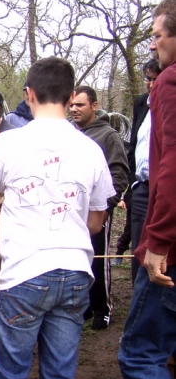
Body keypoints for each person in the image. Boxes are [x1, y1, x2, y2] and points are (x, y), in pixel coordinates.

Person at [0, 57, 114, 379]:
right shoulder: (90, 148)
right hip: (74, 276)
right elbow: (97, 217)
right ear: (72, 98)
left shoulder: (10, 143)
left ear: (28, 95)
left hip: (24, 278)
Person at [118, 0, 176, 379]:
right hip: (146, 204)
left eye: (158, 35)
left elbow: (172, 166)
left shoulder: (171, 83)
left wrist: (156, 241)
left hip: (170, 246)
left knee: (139, 353)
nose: (153, 44)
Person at [70, 85, 129, 329]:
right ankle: (83, 307)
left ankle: (102, 308)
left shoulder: (107, 136)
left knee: (97, 258)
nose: (74, 109)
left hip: (98, 211)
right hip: (71, 211)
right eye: (71, 105)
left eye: (80, 105)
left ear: (94, 106)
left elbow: (120, 174)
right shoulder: (69, 134)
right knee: (77, 259)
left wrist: (105, 208)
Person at [118, 59, 162, 282]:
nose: (151, 84)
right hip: (141, 187)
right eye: (148, 79)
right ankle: (139, 295)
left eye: (156, 78)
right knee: (139, 247)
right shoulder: (141, 103)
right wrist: (131, 187)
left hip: (163, 188)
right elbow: (135, 146)